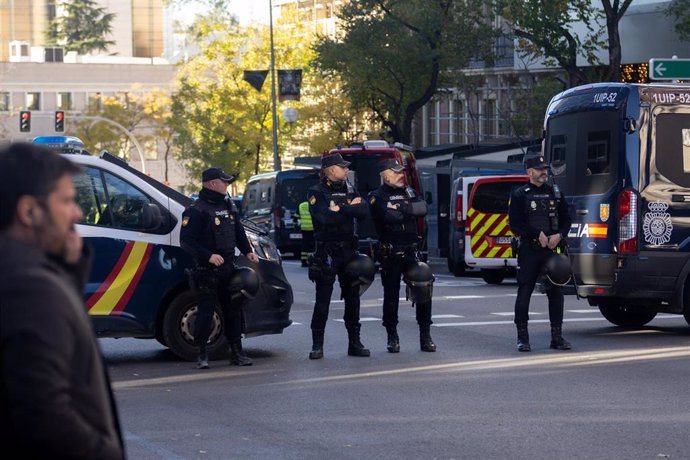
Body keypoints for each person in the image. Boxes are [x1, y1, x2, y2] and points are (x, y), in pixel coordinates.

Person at [0, 142, 125, 459]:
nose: (77, 213)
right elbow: (43, 413)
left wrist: (68, 266)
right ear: (29, 211)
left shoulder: (20, 272)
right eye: (67, 201)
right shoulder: (31, 288)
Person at [180, 167, 260, 369]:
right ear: (212, 183)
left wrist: (247, 250)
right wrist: (208, 256)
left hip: (228, 266)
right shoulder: (196, 210)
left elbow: (238, 230)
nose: (227, 185)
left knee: (233, 310)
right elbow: (186, 241)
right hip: (207, 271)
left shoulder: (228, 204)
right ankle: (202, 354)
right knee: (206, 313)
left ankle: (237, 352)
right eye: (224, 182)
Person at [307, 153, 371, 359]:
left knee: (353, 299)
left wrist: (341, 208)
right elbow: (323, 217)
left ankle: (355, 343)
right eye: (342, 167)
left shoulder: (350, 188)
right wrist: (349, 208)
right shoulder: (316, 192)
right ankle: (317, 345)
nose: (346, 170)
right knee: (322, 301)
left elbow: (363, 212)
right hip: (327, 251)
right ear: (331, 170)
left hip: (349, 251)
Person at [368, 159, 436, 353]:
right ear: (384, 174)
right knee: (391, 297)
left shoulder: (409, 191)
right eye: (396, 172)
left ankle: (425, 335)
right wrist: (408, 210)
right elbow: (388, 217)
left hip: (411, 251)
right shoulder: (376, 196)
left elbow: (422, 209)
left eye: (402, 171)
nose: (401, 175)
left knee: (424, 288)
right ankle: (392, 335)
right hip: (391, 253)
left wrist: (401, 209)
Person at [508, 153, 572, 352]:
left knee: (556, 291)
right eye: (539, 169)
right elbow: (515, 224)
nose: (544, 172)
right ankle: (522, 338)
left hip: (552, 249)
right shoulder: (519, 194)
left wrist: (559, 235)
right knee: (525, 291)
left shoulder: (555, 193)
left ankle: (557, 337)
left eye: (545, 169)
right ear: (529, 172)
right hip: (530, 249)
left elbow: (566, 220)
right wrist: (537, 235)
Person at [298, 199, 314, 267]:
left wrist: (296, 226)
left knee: (304, 244)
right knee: (312, 245)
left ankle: (303, 261)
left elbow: (296, 216)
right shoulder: (313, 205)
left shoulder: (301, 205)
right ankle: (311, 260)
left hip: (304, 228)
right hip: (313, 228)